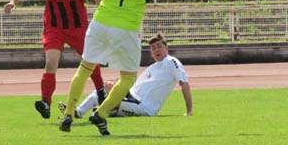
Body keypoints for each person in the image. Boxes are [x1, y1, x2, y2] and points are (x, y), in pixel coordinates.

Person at [47, 0, 229, 135]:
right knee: (128, 78)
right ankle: (101, 113)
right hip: (125, 29)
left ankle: (69, 114)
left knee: (85, 68)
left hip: (99, 23)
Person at [4, 0, 106, 119]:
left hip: (77, 27)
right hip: (54, 27)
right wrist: (13, 1)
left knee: (89, 61)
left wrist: (105, 12)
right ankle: (45, 102)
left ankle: (100, 91)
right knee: (51, 63)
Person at [58, 33, 193, 119]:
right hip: (133, 98)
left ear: (166, 48)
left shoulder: (171, 62)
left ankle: (97, 111)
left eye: (159, 47)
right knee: (107, 87)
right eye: (153, 48)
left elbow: (184, 83)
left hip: (144, 107)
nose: (156, 50)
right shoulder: (152, 67)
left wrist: (189, 111)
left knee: (107, 88)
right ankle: (80, 112)